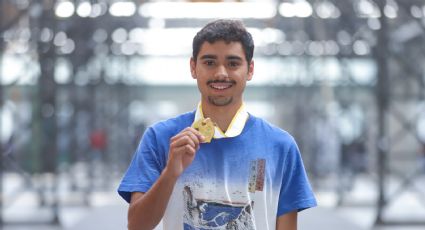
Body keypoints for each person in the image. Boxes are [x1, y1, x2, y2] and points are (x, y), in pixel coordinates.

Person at [118, 19, 317, 230]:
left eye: (233, 63)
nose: (221, 73)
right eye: (209, 62)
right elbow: (136, 226)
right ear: (193, 67)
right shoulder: (160, 138)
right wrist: (171, 173)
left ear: (250, 70)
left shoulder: (281, 146)